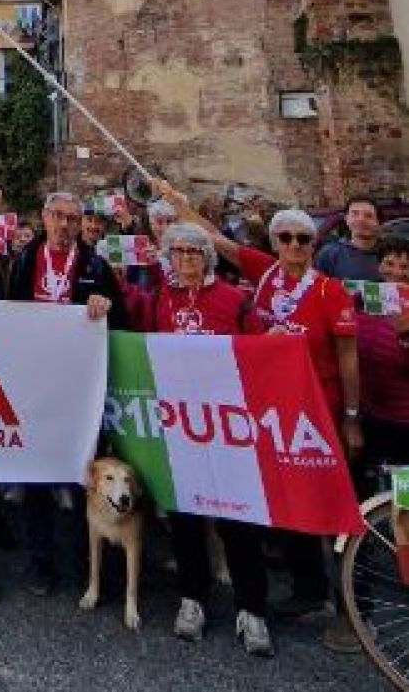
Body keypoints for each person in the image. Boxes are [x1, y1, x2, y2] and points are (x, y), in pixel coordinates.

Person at [156, 181, 359, 620]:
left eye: (303, 239)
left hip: (315, 407)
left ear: (313, 245)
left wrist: (352, 416)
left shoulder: (329, 290)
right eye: (285, 237)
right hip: (266, 408)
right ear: (274, 242)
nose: (294, 246)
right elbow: (212, 239)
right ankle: (307, 587)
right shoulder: (263, 271)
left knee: (316, 496)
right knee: (280, 495)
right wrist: (176, 203)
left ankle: (334, 598)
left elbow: (348, 356)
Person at [127, 222, 271, 655]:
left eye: (194, 252)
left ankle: (252, 609)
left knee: (238, 520)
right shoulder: (159, 301)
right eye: (179, 252)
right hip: (180, 427)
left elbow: (261, 354)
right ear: (169, 259)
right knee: (185, 520)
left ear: (207, 257)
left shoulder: (236, 300)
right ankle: (193, 598)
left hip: (227, 427)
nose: (186, 259)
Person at [8, 190, 123, 594]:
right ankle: (41, 563)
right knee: (37, 479)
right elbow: (6, 317)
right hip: (35, 389)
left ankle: (82, 563)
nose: (64, 225)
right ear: (43, 217)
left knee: (81, 477)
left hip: (79, 392)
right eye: (57, 216)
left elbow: (120, 320)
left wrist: (105, 304)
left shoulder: (95, 265)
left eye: (72, 219)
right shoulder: (23, 261)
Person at [356, 233, 409, 473]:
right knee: (373, 485)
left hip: (403, 422)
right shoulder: (362, 300)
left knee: (403, 494)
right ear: (378, 266)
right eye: (389, 263)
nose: (397, 272)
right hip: (368, 417)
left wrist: (405, 337)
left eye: (405, 266)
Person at [316, 195, 382, 282]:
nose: (361, 219)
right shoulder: (330, 254)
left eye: (368, 215)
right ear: (346, 219)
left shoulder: (390, 253)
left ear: (377, 222)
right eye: (355, 214)